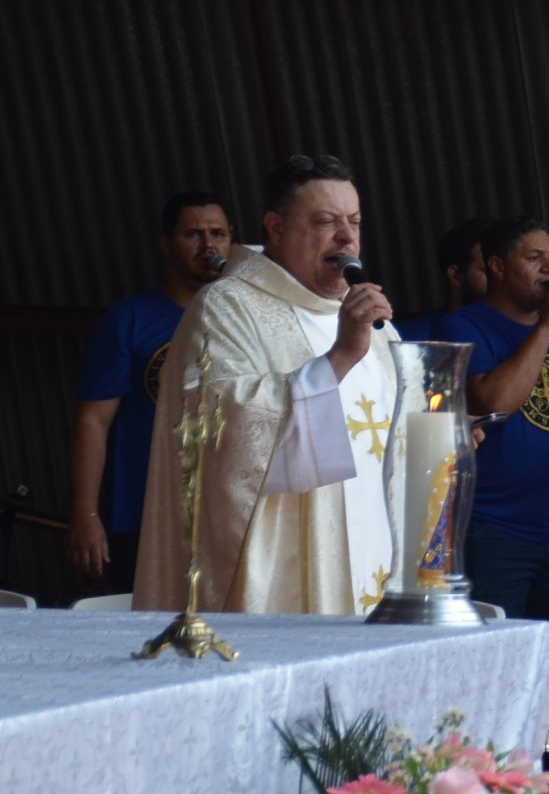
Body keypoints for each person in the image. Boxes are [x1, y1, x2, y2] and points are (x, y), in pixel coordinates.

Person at [134, 157, 400, 616]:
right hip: (288, 571)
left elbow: (404, 429)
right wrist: (337, 360)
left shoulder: (377, 324)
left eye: (354, 222)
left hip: (376, 551)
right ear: (276, 228)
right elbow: (223, 428)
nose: (347, 238)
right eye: (325, 222)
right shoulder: (226, 306)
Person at [438, 217, 549, 794]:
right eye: (536, 258)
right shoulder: (464, 325)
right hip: (498, 532)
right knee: (504, 683)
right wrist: (546, 329)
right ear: (499, 265)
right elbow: (495, 400)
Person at [70, 190, 232, 596]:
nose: (208, 245)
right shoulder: (130, 318)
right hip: (141, 514)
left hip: (224, 510)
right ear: (166, 244)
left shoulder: (243, 321)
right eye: (193, 234)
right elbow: (93, 420)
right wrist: (86, 514)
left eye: (219, 234)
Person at [409, 217, 492, 341]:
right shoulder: (412, 341)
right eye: (489, 272)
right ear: (456, 276)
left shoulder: (523, 333)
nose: (505, 281)